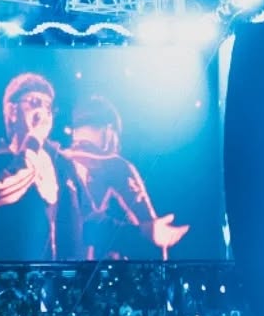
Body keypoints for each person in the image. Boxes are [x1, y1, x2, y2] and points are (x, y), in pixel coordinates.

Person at [64, 95, 189, 259]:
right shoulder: (115, 165)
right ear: (108, 129)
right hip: (99, 268)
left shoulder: (56, 160)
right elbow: (150, 227)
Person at [0, 71, 85, 260]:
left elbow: (85, 217)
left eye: (48, 106)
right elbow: (3, 193)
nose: (42, 112)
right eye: (35, 102)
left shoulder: (62, 164)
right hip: (12, 273)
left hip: (60, 275)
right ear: (12, 112)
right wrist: (33, 140)